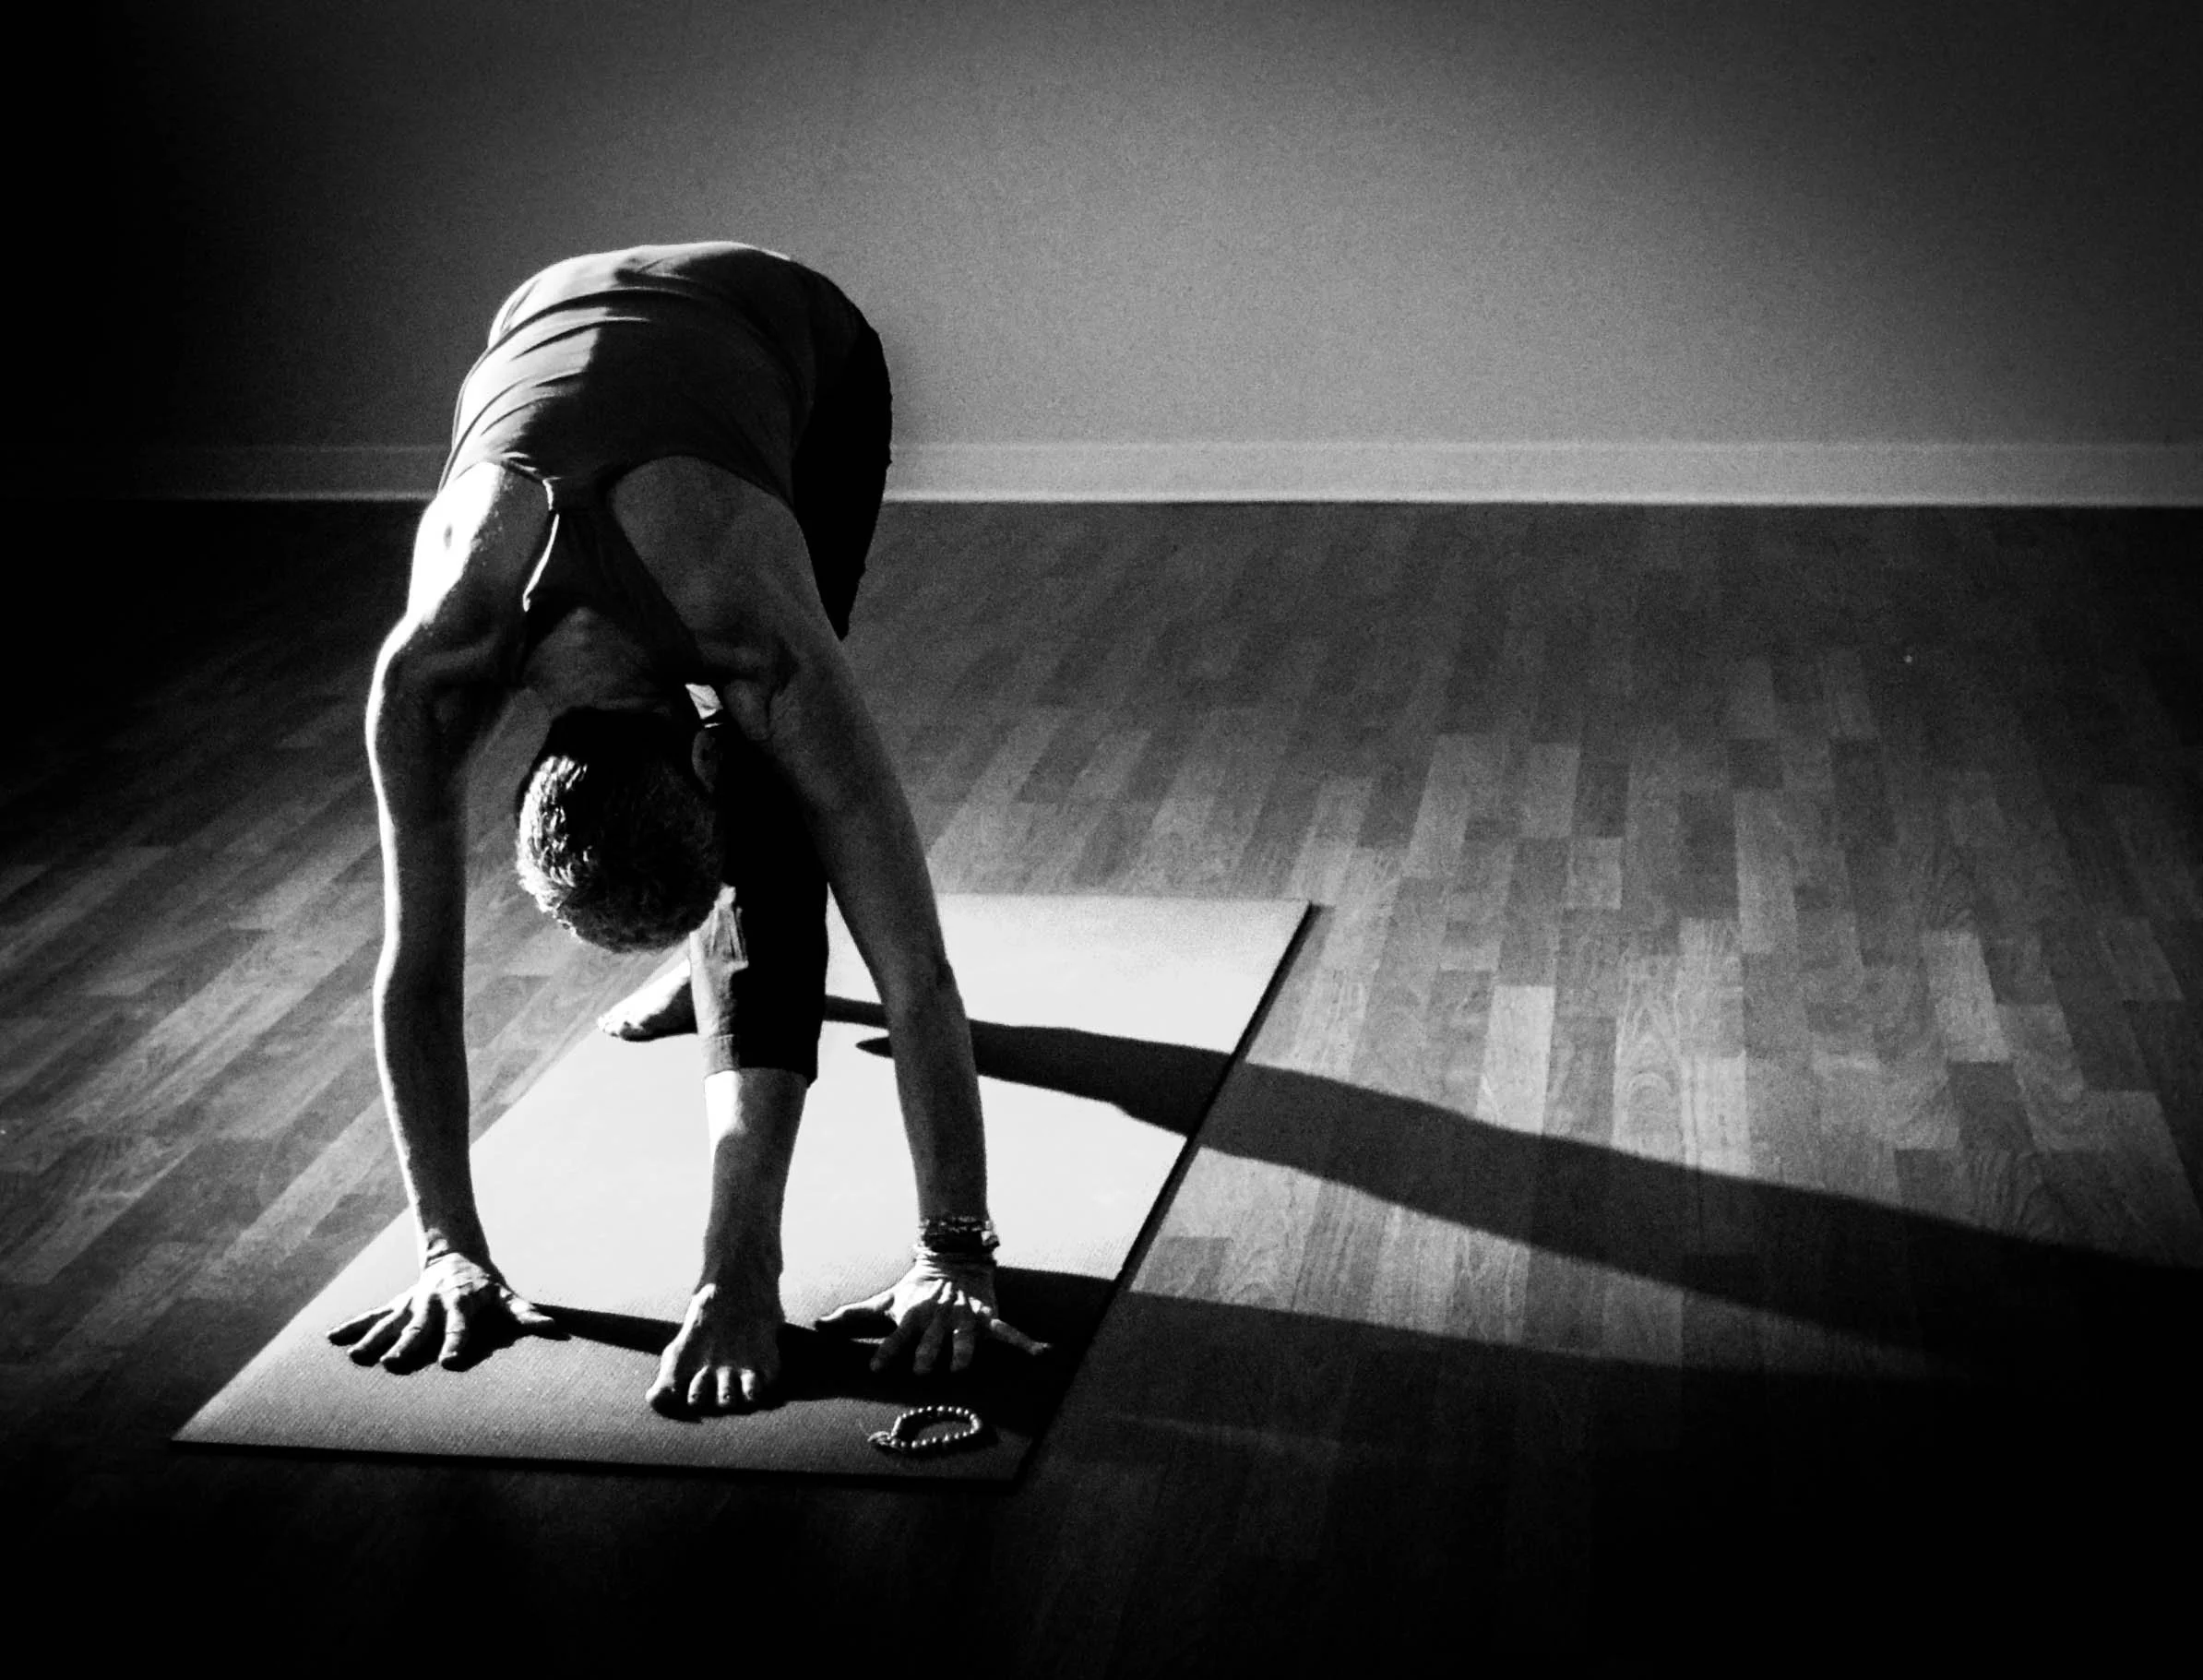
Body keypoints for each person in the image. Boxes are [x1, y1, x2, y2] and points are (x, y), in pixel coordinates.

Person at [329, 242, 1042, 1412]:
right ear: (530, 782)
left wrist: (956, 1253)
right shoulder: (428, 673)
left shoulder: (763, 647)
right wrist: (446, 1245)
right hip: (538, 309)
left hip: (792, 340)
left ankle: (739, 1246)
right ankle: (707, 955)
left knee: (787, 812)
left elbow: (918, 976)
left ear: (705, 749)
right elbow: (418, 973)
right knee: (767, 812)